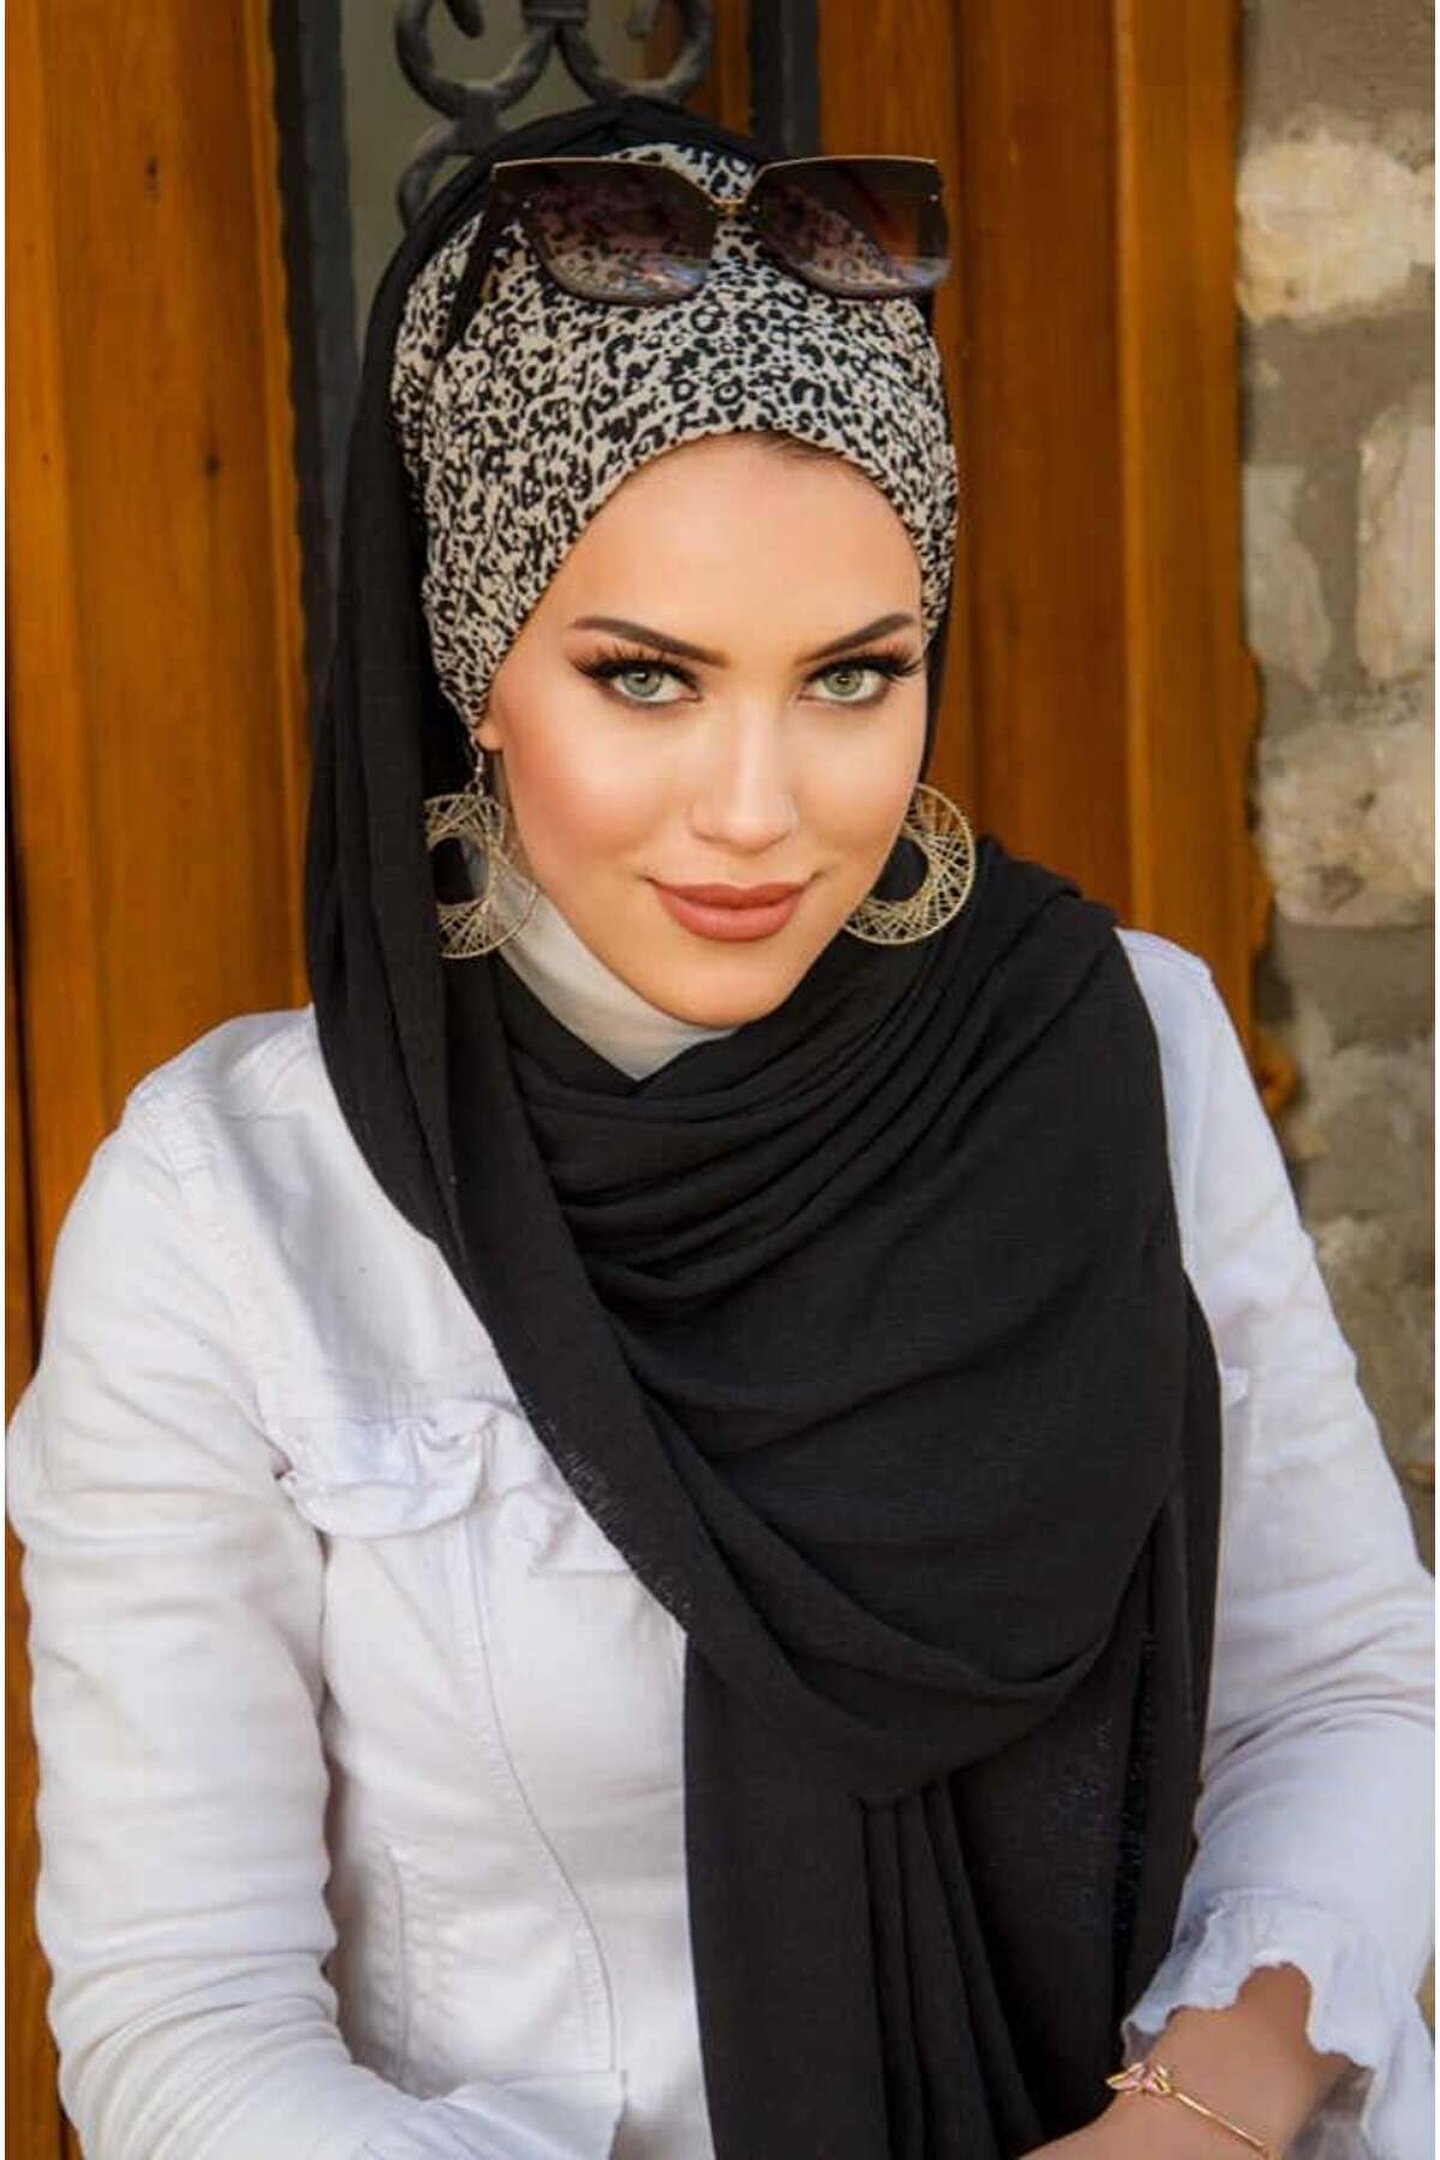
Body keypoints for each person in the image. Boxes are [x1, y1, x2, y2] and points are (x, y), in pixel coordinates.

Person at [6, 91, 1432, 2160]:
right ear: (478, 666)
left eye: (853, 677)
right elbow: (185, 2021)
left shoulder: (1121, 1047)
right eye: (647, 679)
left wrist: (1190, 2123)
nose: (761, 811)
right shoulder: (227, 1211)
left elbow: (1347, 1690)